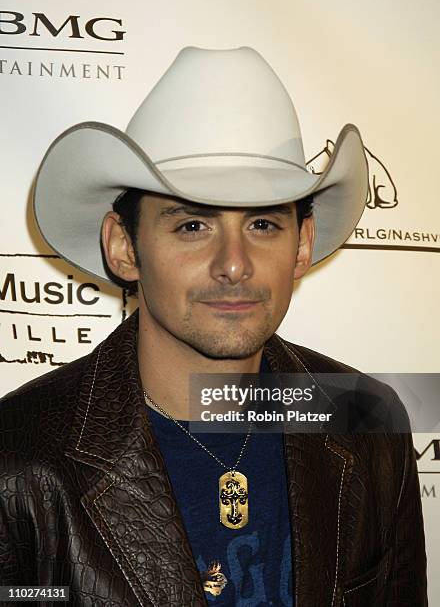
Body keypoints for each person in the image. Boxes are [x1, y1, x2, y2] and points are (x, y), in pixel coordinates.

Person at [0, 47, 427, 606]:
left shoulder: (369, 423)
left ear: (301, 245)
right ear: (124, 246)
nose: (234, 263)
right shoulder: (20, 459)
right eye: (193, 224)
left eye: (264, 224)